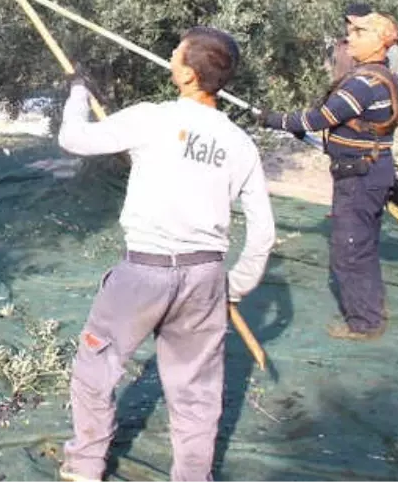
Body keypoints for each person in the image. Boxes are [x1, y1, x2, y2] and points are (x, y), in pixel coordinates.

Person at [56, 27, 275, 482]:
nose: (169, 60)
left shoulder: (152, 118)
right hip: (205, 277)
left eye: (175, 56)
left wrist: (78, 91)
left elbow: (74, 139)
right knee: (196, 393)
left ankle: (83, 468)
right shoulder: (239, 143)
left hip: (145, 272)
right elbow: (263, 232)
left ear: (190, 75)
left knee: (95, 368)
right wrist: (233, 287)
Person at [259, 11, 398, 341]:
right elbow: (346, 124)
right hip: (374, 168)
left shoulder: (362, 82)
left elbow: (320, 117)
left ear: (378, 41)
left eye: (357, 33)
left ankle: (364, 323)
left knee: (349, 250)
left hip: (360, 176)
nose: (348, 38)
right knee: (364, 244)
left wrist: (273, 119)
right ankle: (373, 306)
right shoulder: (383, 76)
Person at [329, 3, 398, 96]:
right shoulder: (340, 46)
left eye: (357, 22)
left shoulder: (388, 48)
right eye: (348, 21)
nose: (350, 26)